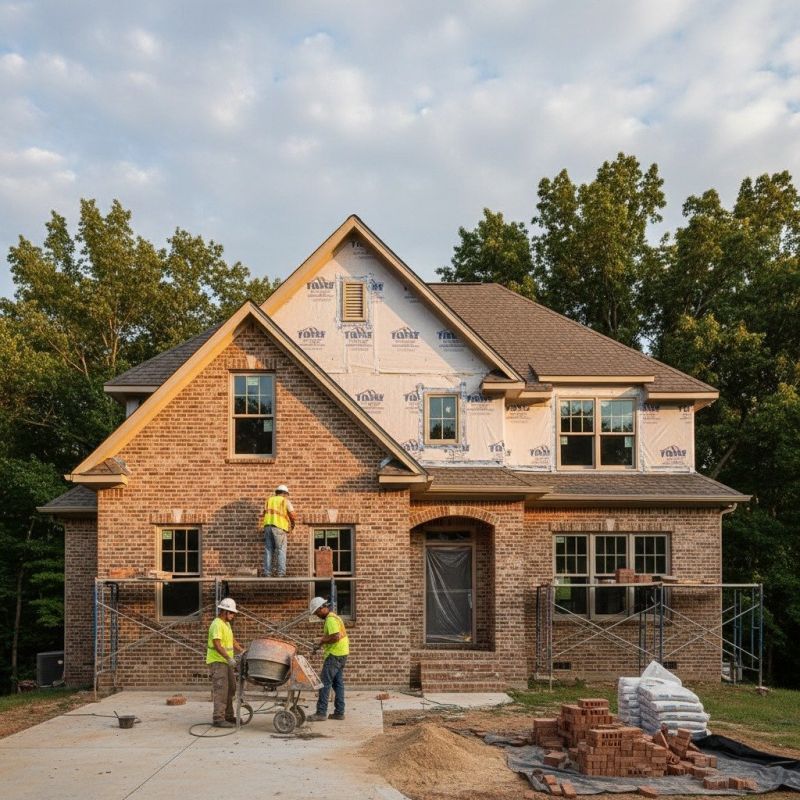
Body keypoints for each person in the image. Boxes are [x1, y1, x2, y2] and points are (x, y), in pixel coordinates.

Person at [307, 596, 349, 721]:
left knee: (324, 684)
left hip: (334, 655)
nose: (317, 615)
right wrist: (320, 643)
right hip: (342, 653)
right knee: (338, 684)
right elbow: (332, 637)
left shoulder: (330, 619)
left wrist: (322, 640)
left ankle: (321, 713)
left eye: (317, 612)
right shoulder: (335, 617)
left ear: (322, 608)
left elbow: (335, 637)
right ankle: (339, 712)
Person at [206, 597, 245, 728]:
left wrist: (241, 650)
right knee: (221, 690)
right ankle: (218, 718)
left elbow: (232, 640)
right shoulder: (216, 624)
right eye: (231, 613)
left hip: (226, 662)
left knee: (231, 688)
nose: (233, 615)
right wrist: (228, 658)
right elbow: (217, 645)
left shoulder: (226, 624)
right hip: (218, 661)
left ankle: (228, 716)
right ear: (224, 611)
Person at [262, 484, 296, 577]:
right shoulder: (284, 501)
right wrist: (292, 524)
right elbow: (293, 515)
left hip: (267, 526)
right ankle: (281, 573)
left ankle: (267, 573)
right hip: (279, 527)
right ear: (284, 493)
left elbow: (264, 513)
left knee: (268, 550)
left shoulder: (269, 500)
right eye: (287, 494)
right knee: (281, 550)